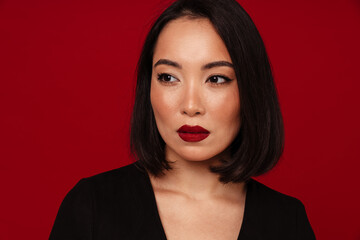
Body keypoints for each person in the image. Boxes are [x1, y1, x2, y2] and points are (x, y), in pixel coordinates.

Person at [49, 0, 316, 239]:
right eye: (169, 78)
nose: (190, 106)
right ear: (148, 88)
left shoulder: (287, 222)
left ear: (250, 90)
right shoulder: (92, 206)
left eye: (216, 79)